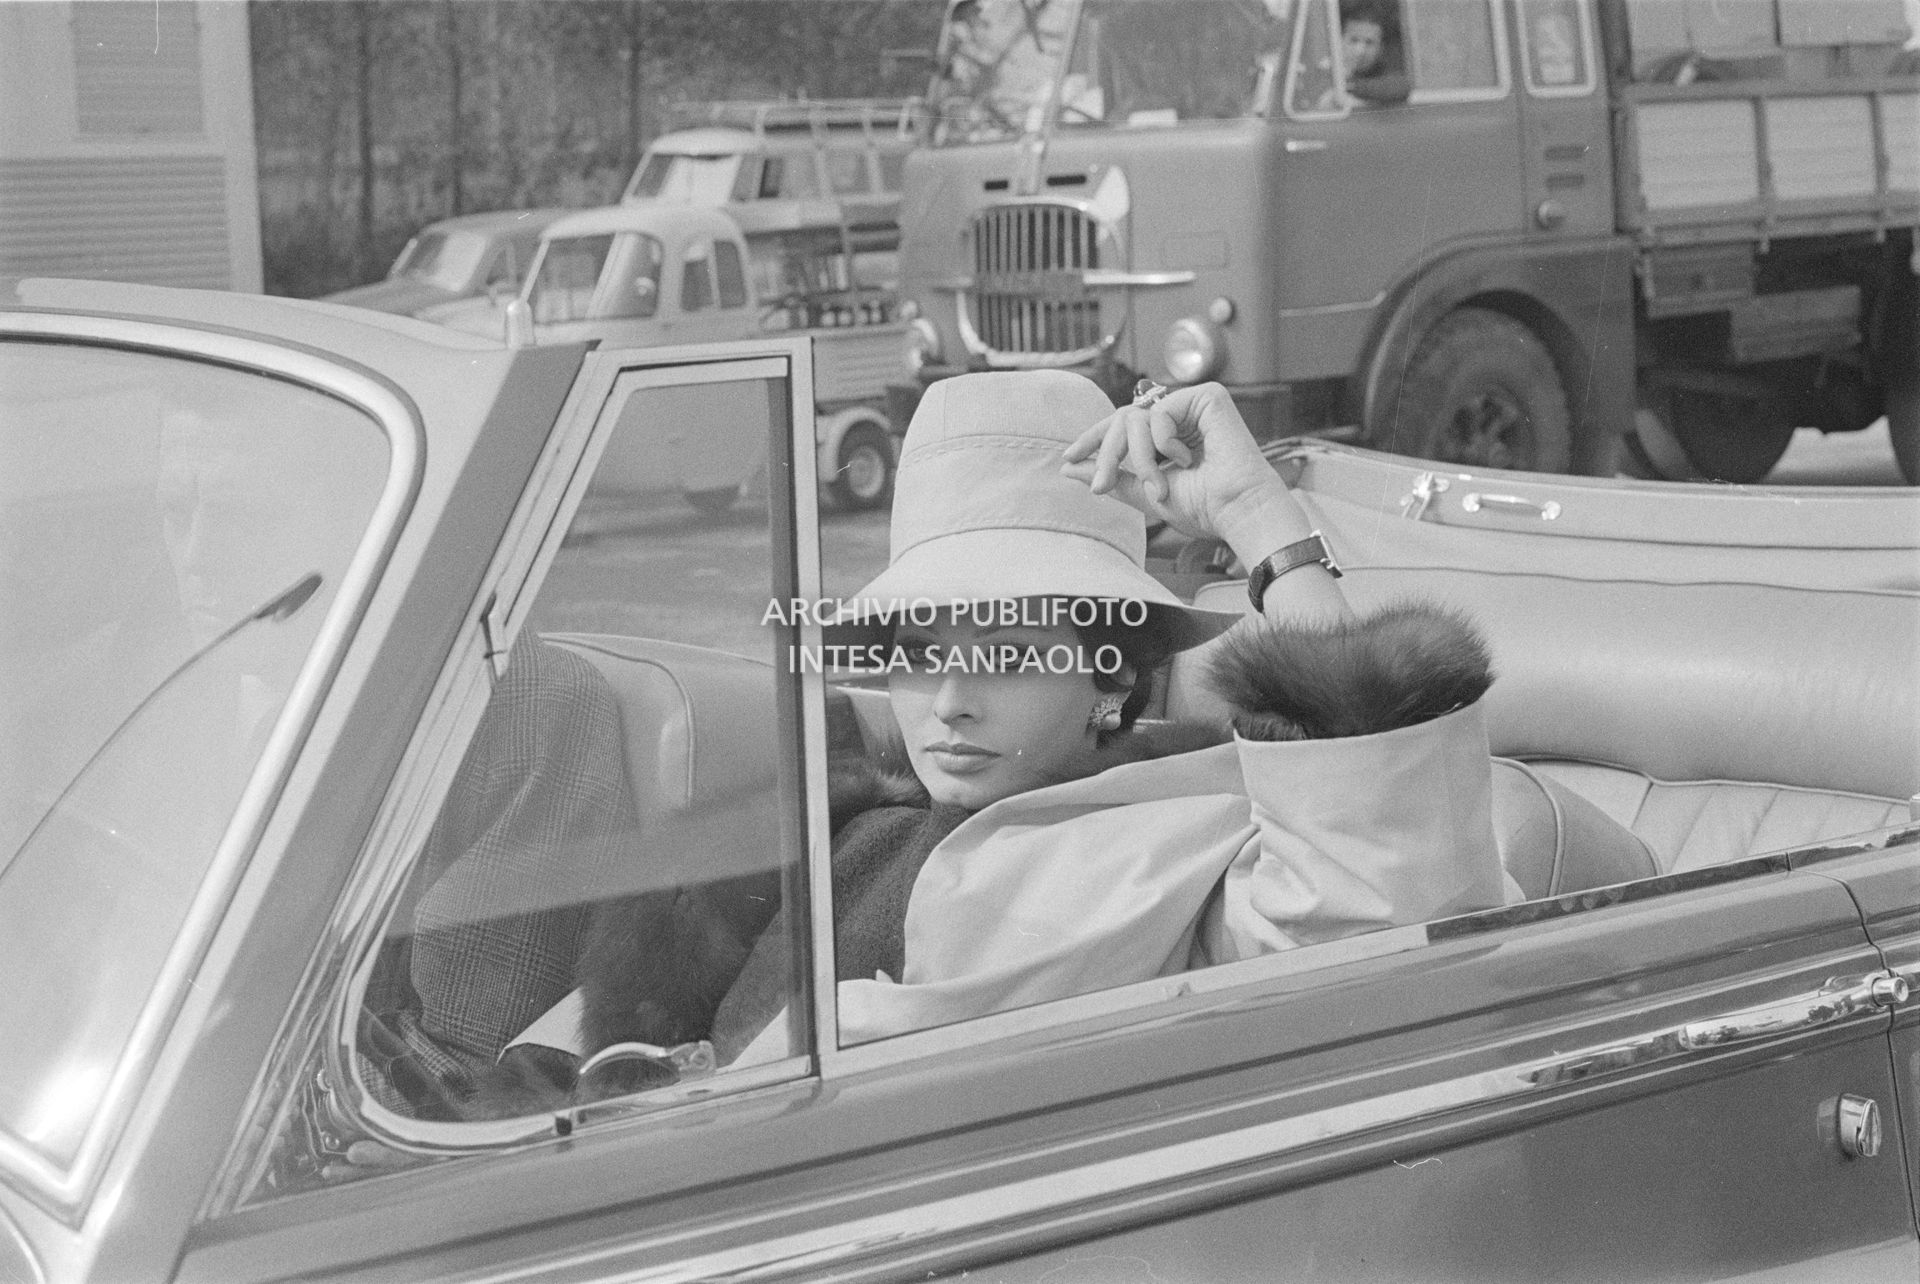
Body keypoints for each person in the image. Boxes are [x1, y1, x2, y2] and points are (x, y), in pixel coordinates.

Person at [453, 369, 1513, 1120]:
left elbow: (1386, 894)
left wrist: (1257, 518)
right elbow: (567, 1069)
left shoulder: (1178, 848)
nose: (950, 699)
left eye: (1007, 654)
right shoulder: (831, 823)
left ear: (1106, 673)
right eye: (920, 646)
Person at [1336, 3, 1410, 106]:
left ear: (1381, 48)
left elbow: (1401, 87)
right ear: (1339, 41)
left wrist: (1347, 85)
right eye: (1353, 40)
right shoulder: (1326, 69)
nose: (1360, 51)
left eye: (1369, 42)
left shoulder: (1383, 71)